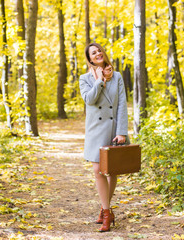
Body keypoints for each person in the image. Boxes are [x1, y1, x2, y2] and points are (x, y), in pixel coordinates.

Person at [79, 43, 129, 232]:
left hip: (113, 129)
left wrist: (122, 131)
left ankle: (103, 207)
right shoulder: (85, 79)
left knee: (112, 171)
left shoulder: (116, 77)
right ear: (90, 59)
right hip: (95, 129)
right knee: (98, 170)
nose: (98, 53)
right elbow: (89, 100)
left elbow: (122, 104)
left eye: (99, 50)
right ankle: (108, 212)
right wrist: (99, 80)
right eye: (93, 53)